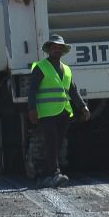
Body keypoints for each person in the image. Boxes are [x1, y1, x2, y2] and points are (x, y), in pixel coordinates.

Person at [27, 35, 90, 186]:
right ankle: (55, 173)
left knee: (58, 144)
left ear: (62, 50)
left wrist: (83, 107)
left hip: (63, 113)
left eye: (59, 47)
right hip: (46, 113)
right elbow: (32, 90)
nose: (57, 50)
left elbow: (73, 91)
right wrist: (32, 110)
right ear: (49, 50)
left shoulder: (66, 69)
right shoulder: (40, 67)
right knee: (52, 142)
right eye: (54, 47)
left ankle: (45, 175)